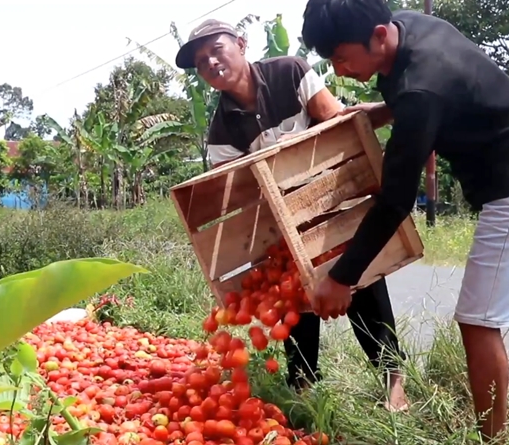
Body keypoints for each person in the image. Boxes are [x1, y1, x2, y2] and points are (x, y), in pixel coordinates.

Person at [174, 18, 409, 411]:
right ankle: (302, 388)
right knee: (293, 298)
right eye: (201, 62)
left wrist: (295, 148)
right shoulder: (220, 133)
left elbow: (335, 121)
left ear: (241, 44)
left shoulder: (290, 71)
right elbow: (243, 198)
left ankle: (394, 379)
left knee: (362, 282)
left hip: (331, 201)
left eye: (216, 51)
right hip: (281, 223)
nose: (211, 63)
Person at [300, 0, 509, 438]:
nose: (339, 71)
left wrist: (342, 278)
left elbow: (394, 202)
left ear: (378, 35)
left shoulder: (418, 89)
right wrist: (380, 110)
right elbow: (434, 91)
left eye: (341, 57)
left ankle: (493, 437)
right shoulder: (412, 27)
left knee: (478, 319)